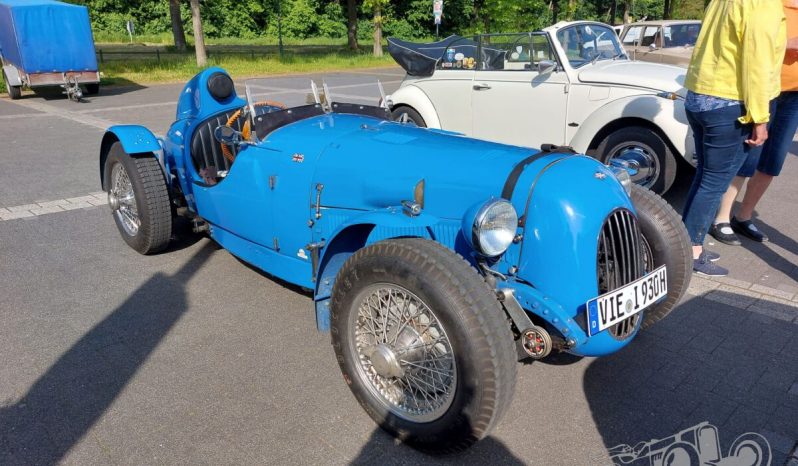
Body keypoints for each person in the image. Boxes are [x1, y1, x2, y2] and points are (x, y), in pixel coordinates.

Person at [681, 0, 786, 277]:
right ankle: (690, 251)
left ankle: (685, 244)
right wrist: (761, 119)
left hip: (701, 95)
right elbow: (758, 64)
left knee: (705, 179)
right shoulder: (764, 5)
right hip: (728, 102)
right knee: (713, 183)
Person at [710, 0, 798, 245]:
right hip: (764, 91)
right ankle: (722, 218)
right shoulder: (769, 4)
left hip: (794, 96)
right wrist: (787, 45)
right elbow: (750, 47)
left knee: (773, 161)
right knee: (748, 156)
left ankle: (744, 216)